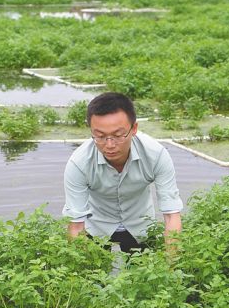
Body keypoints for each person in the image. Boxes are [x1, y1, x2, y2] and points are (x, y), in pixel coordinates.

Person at [62, 92, 183, 253]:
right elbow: (76, 225)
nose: (110, 145)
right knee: (94, 274)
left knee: (143, 273)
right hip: (97, 226)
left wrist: (171, 266)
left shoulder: (155, 155)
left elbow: (171, 215)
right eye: (100, 136)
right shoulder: (79, 163)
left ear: (134, 129)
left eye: (118, 135)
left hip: (140, 226)